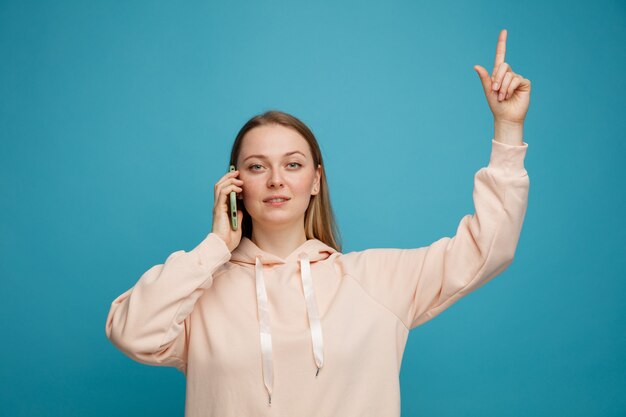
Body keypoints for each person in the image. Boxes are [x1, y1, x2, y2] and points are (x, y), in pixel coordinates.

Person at [105, 29, 531, 417]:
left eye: (292, 164)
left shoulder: (378, 280)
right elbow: (132, 332)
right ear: (234, 184)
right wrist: (216, 245)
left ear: (315, 181)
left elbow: (488, 248)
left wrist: (508, 129)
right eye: (256, 167)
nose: (276, 180)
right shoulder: (199, 296)